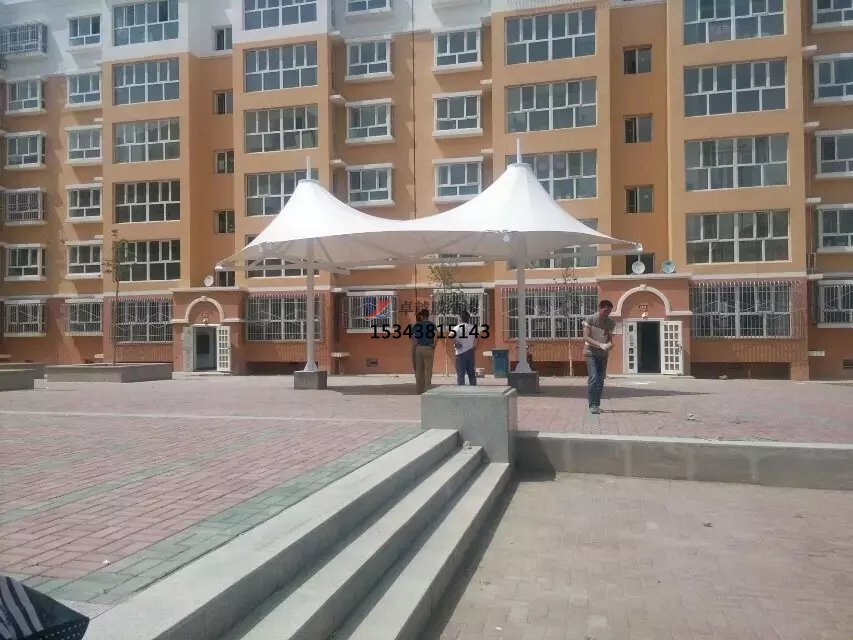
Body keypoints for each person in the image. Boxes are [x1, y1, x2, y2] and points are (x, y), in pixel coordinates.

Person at [582, 300, 615, 414]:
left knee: (600, 380)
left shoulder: (610, 322)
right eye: (605, 311)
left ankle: (597, 404)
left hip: (603, 354)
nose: (607, 313)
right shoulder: (590, 319)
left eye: (609, 311)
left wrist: (609, 345)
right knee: (594, 377)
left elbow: (610, 338)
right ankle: (592, 405)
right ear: (599, 308)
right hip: (590, 352)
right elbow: (586, 337)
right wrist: (599, 344)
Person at [413, 309, 436, 394]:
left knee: (419, 370)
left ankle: (419, 390)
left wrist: (416, 344)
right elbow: (435, 335)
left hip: (419, 348)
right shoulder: (432, 325)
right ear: (428, 316)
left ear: (421, 316)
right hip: (429, 348)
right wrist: (434, 345)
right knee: (428, 370)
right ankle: (428, 389)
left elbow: (413, 337)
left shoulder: (416, 325)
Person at [453, 310, 478, 386]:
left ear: (460, 318)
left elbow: (453, 339)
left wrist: (456, 344)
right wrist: (474, 346)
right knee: (471, 374)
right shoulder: (473, 328)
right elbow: (476, 339)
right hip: (470, 352)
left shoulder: (456, 328)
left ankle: (461, 390)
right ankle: (473, 389)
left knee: (460, 374)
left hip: (460, 354)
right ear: (468, 318)